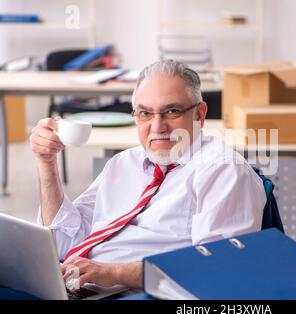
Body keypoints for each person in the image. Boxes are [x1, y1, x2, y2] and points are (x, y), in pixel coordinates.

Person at [28, 59, 266, 291]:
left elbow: (217, 269)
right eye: (145, 114)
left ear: (200, 115)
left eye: (172, 111)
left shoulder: (223, 171)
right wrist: (46, 162)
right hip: (78, 285)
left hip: (143, 292)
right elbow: (63, 244)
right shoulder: (123, 163)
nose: (157, 127)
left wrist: (114, 273)